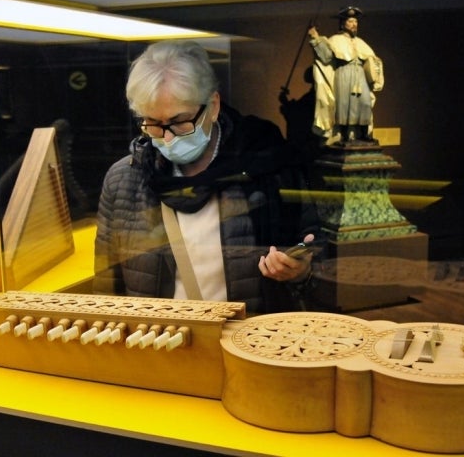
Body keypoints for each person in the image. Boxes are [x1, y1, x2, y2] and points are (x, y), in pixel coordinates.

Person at [94, 40, 320, 313]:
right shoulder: (123, 180)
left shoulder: (268, 167)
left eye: (180, 122)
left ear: (212, 106)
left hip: (247, 341)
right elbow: (107, 288)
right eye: (152, 123)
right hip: (159, 342)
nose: (167, 137)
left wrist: (300, 271)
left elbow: (314, 254)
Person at [308, 6, 382, 145]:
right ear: (342, 24)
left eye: (356, 22)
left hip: (360, 75)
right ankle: (344, 135)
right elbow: (326, 57)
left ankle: (364, 134)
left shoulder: (360, 42)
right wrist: (315, 37)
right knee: (345, 104)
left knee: (364, 103)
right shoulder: (336, 39)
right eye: (350, 21)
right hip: (344, 75)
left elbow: (371, 59)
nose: (354, 24)